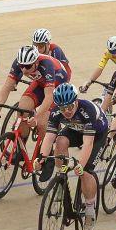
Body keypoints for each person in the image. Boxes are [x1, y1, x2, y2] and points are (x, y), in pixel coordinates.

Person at [38, 82, 104, 219]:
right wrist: (41, 158)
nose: (67, 111)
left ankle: (90, 209)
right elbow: (49, 138)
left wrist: (80, 165)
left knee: (84, 172)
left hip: (97, 135)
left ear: (76, 101)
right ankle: (60, 179)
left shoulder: (87, 111)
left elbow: (88, 143)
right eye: (62, 108)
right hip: (75, 129)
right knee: (60, 141)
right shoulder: (56, 112)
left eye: (70, 106)